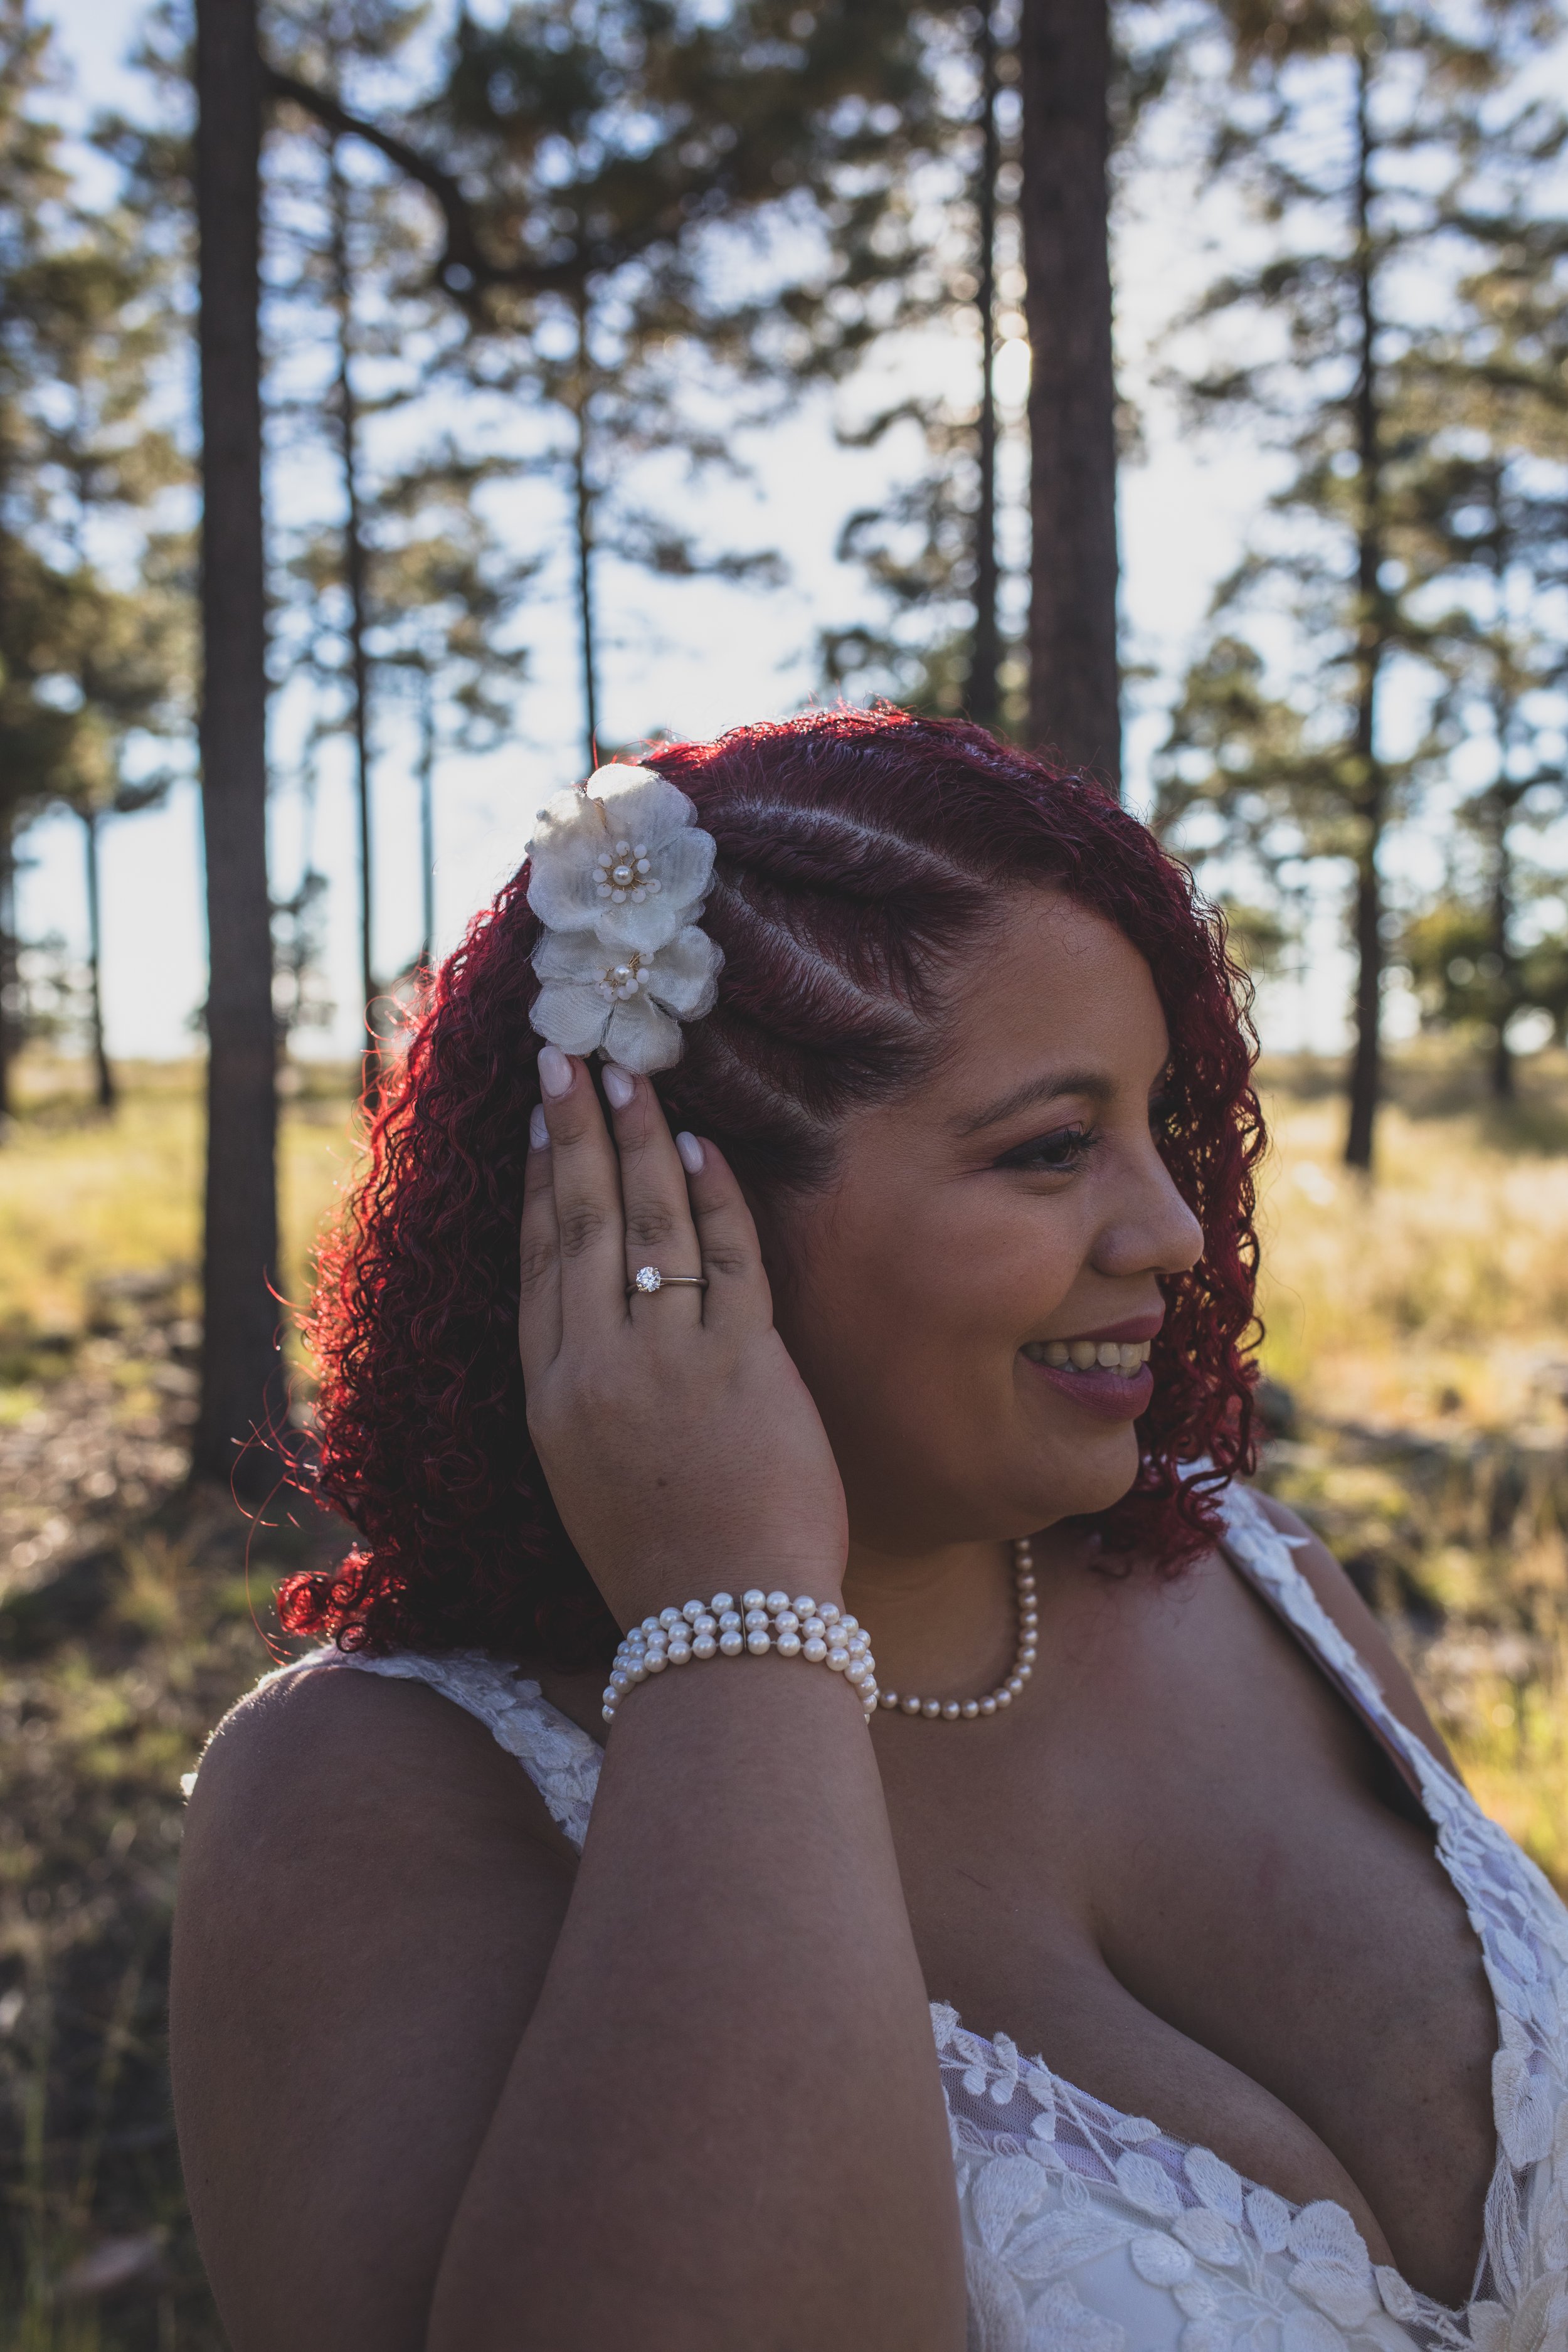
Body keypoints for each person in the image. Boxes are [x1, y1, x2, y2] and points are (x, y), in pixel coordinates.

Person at [169, 710, 1568, 2352]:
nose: (1176, 1232)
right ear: (671, 1211)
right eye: (1051, 1149)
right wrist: (736, 1623)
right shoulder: (365, 1796)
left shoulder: (1265, 1584)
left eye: (1159, 1125)